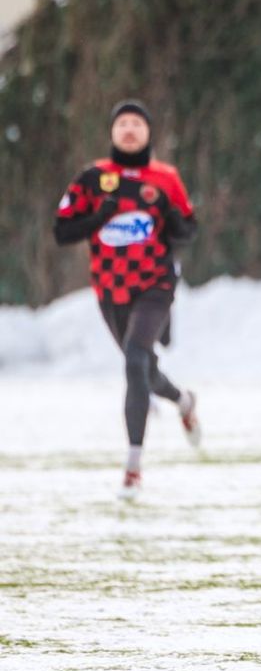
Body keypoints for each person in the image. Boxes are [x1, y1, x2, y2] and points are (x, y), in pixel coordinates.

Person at [53, 99, 201, 500]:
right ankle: (183, 399)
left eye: (137, 123)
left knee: (136, 357)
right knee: (142, 367)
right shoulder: (93, 177)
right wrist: (99, 218)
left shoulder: (165, 178)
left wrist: (173, 223)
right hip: (110, 288)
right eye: (123, 123)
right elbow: (62, 232)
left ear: (149, 132)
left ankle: (133, 466)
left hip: (155, 283)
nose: (130, 129)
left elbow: (188, 230)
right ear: (112, 132)